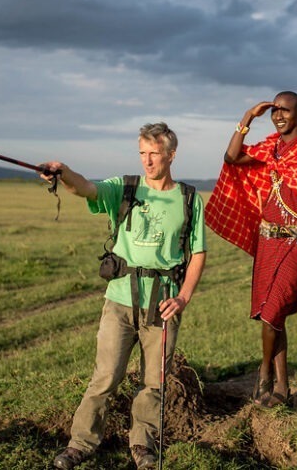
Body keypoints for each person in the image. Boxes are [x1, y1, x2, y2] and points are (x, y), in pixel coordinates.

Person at [42, 122, 206, 470]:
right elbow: (85, 189)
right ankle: (80, 444)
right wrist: (63, 171)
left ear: (171, 155)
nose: (147, 161)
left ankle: (143, 447)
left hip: (163, 304)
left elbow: (198, 253)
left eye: (155, 154)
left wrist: (183, 297)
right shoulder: (125, 187)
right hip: (119, 300)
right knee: (105, 376)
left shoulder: (190, 198)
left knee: (154, 382)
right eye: (142, 153)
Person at [206, 91, 297, 408]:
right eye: (274, 111)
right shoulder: (269, 149)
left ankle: (264, 372)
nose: (278, 115)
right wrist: (247, 118)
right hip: (268, 241)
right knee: (273, 317)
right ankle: (282, 390)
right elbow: (231, 158)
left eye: (285, 110)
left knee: (272, 313)